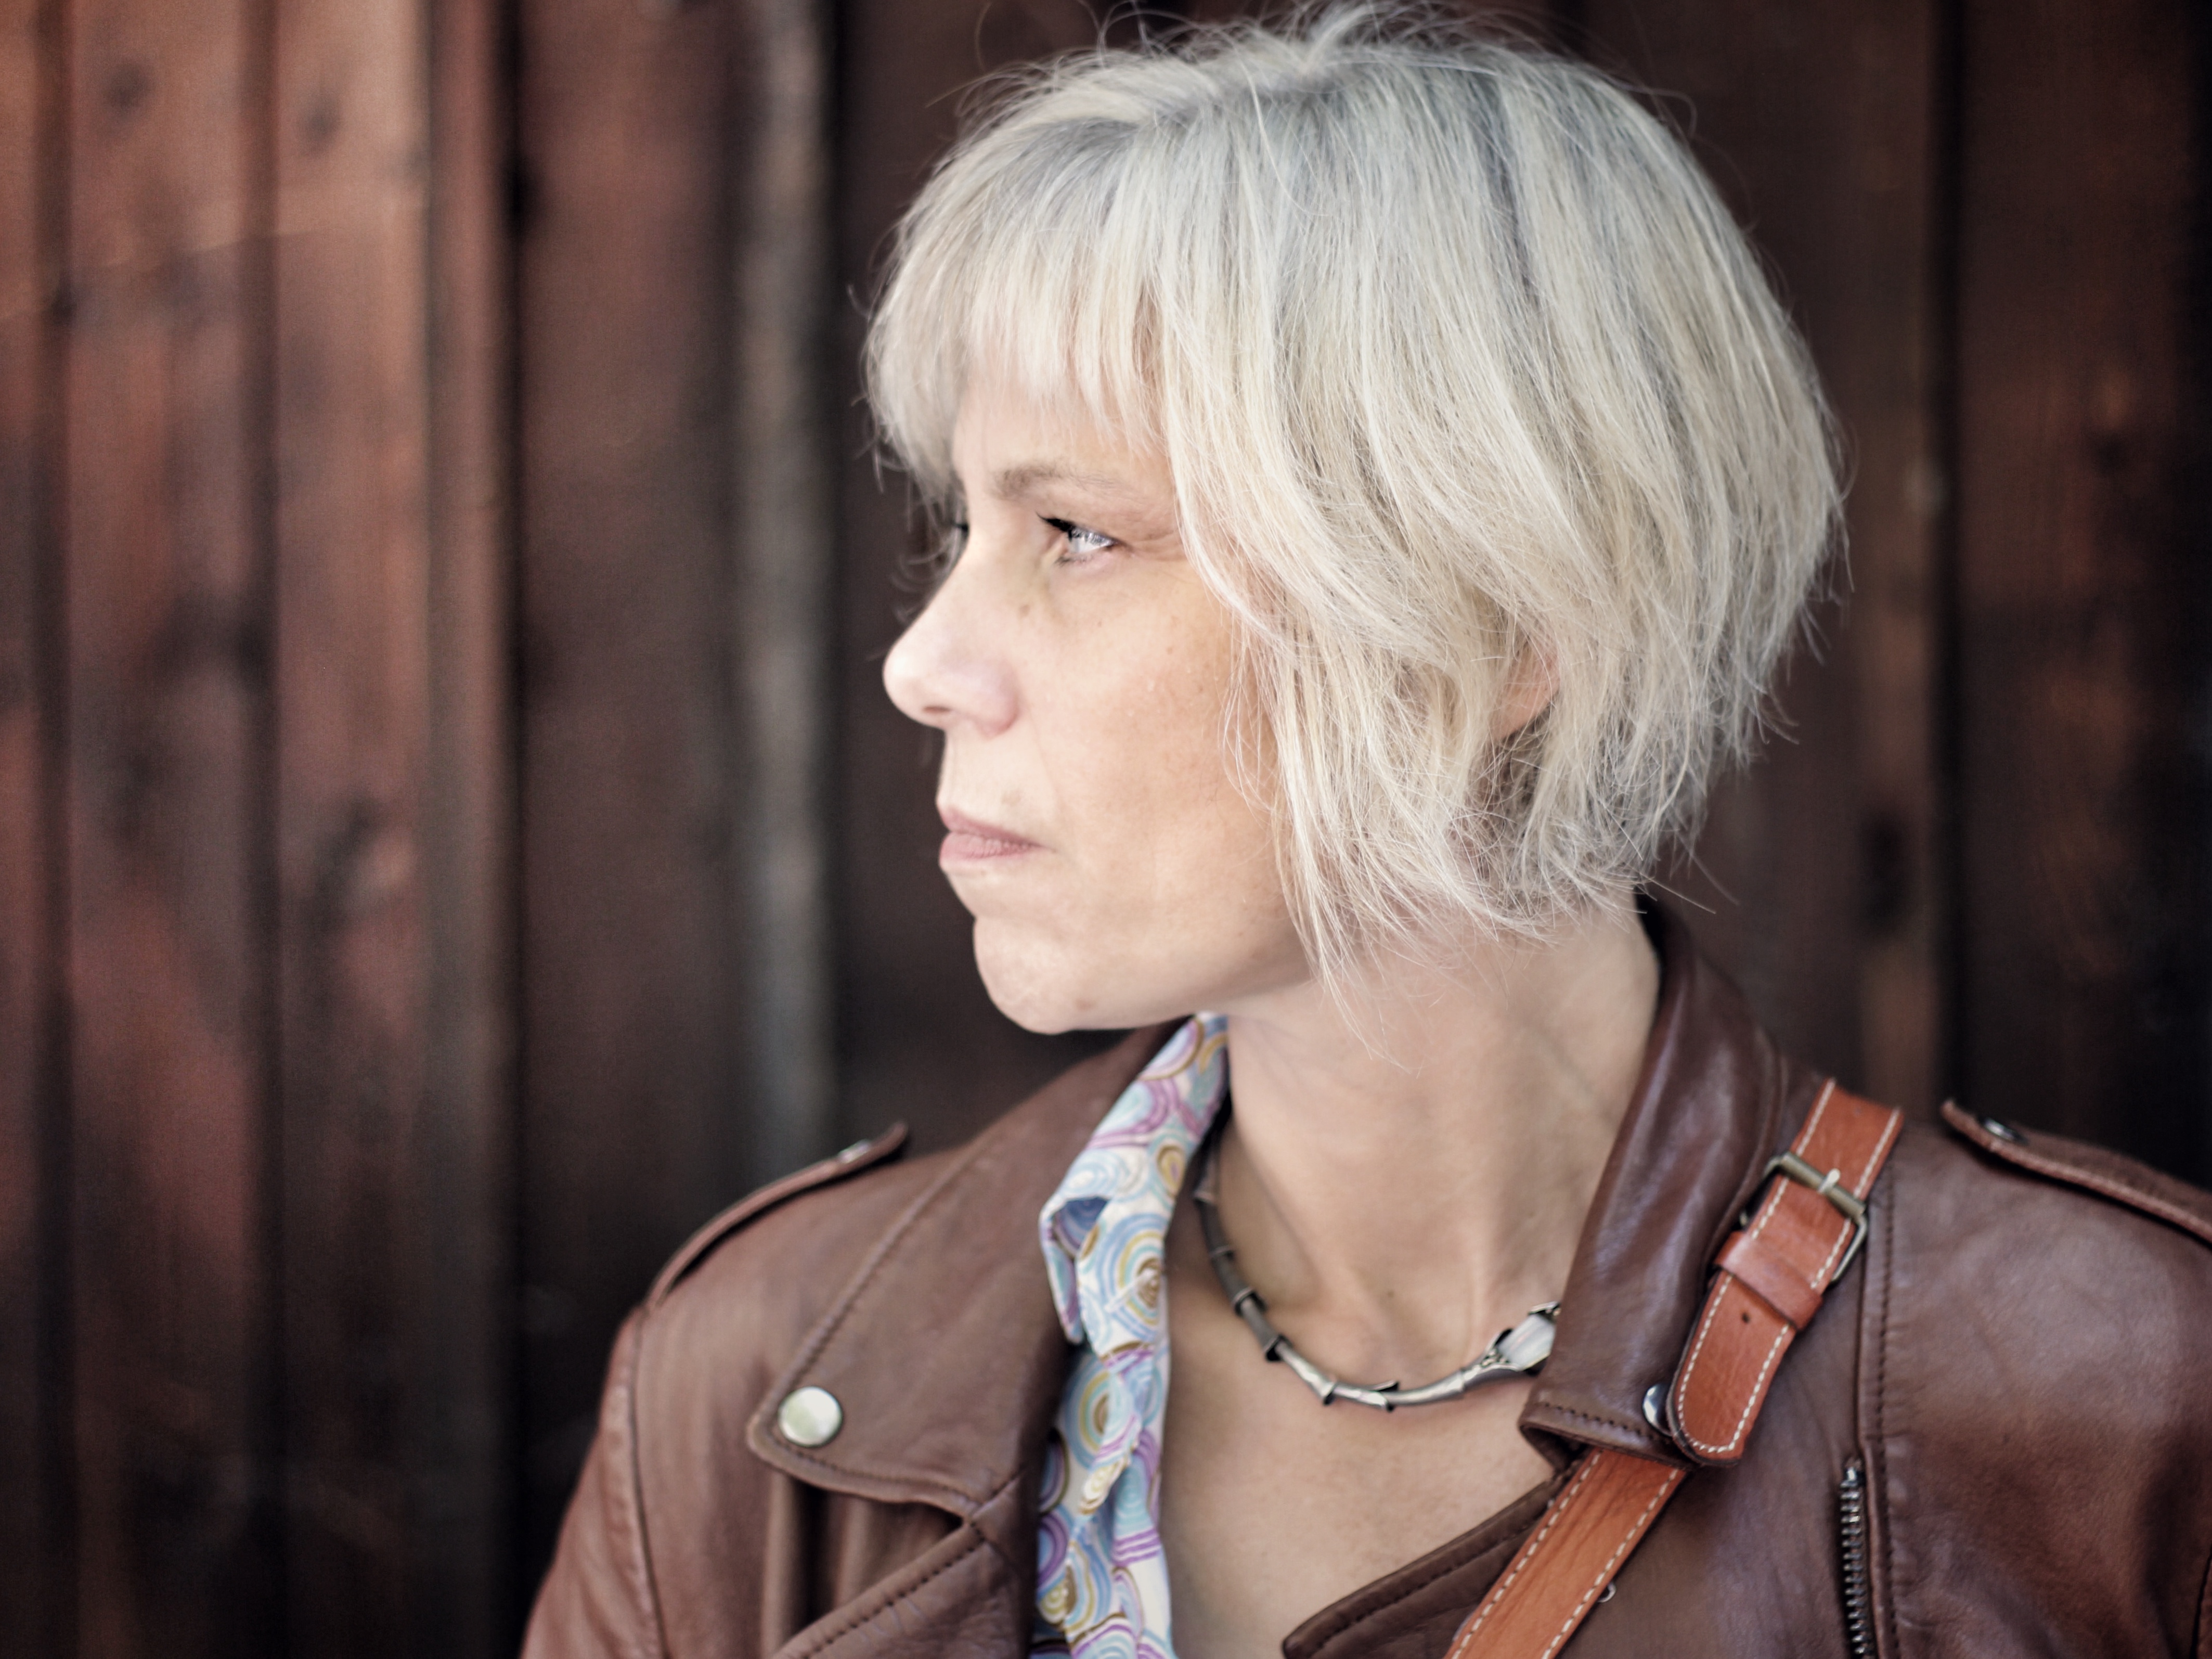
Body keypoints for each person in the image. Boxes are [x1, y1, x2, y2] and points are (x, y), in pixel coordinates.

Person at [524, 9, 2212, 1656]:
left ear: (1504, 622)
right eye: (962, 526)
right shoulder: (751, 1394)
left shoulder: (2119, 1412)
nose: (924, 662)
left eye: (1078, 533)